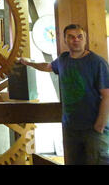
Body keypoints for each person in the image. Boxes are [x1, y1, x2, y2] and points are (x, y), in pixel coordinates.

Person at [20, 24, 109, 165]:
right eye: (71, 37)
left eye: (79, 36)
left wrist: (100, 124)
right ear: (65, 40)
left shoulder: (97, 62)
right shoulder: (63, 60)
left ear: (85, 38)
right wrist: (29, 63)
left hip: (93, 129)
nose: (76, 40)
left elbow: (107, 95)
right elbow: (48, 66)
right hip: (71, 128)